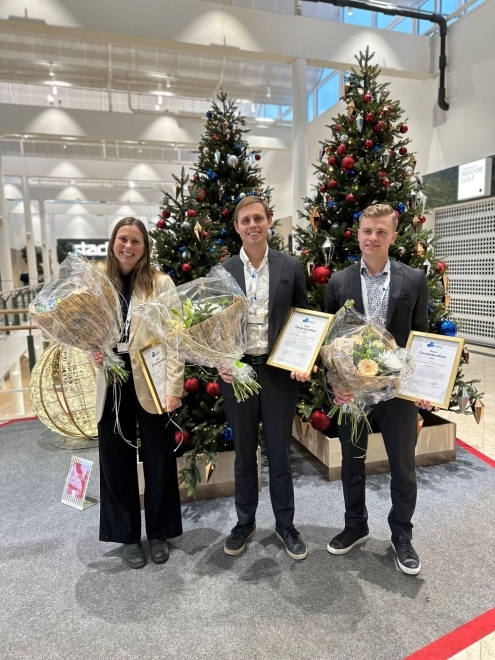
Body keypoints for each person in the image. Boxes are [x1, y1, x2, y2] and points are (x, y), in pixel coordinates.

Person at [324, 203, 432, 576]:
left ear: (393, 236)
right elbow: (327, 341)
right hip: (352, 391)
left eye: (381, 232)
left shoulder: (413, 279)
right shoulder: (338, 281)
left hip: (398, 391)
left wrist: (424, 382)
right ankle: (355, 525)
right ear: (358, 234)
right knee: (351, 463)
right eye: (367, 231)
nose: (373, 237)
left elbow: (421, 335)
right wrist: (336, 385)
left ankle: (402, 535)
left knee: (403, 466)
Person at [218, 196, 311, 561]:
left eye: (258, 218)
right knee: (244, 455)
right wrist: (220, 361)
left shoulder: (291, 266)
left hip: (277, 373)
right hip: (238, 372)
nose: (252, 225)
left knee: (280, 454)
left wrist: (303, 358)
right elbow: (214, 325)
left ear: (269, 220)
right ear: (237, 227)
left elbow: (303, 317)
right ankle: (245, 522)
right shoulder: (223, 270)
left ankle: (285, 525)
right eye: (245, 220)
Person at [93, 217, 184, 569]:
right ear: (113, 242)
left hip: (152, 377)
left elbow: (175, 338)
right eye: (123, 239)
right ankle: (127, 535)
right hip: (112, 378)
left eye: (135, 241)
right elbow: (86, 329)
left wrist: (174, 388)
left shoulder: (160, 283)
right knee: (115, 459)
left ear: (145, 248)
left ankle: (159, 532)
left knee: (159, 458)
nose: (128, 246)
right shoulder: (98, 283)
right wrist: (92, 352)